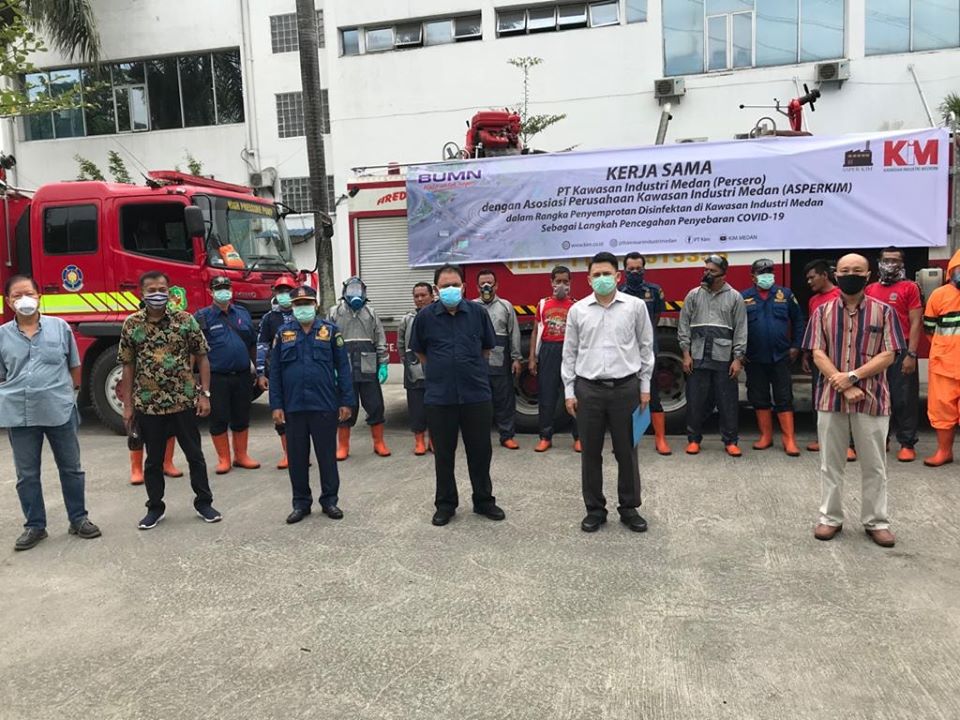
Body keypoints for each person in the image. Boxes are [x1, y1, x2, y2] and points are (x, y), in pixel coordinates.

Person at [803, 253, 902, 548]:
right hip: (831, 400)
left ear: (868, 275)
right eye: (845, 270)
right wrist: (843, 383)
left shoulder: (884, 312)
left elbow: (889, 353)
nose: (850, 275)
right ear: (836, 274)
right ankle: (830, 518)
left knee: (874, 465)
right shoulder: (822, 312)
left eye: (857, 270)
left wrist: (854, 377)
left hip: (872, 399)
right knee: (830, 464)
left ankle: (876, 521)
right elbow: (817, 352)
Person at [0, 275, 101, 551]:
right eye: (17, 296)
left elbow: (74, 365)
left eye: (29, 294)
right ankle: (35, 526)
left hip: (59, 410)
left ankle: (78, 519)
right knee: (27, 474)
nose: (24, 300)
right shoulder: (2, 336)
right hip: (20, 415)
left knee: (71, 468)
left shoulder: (60, 328)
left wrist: (70, 394)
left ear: (39, 296)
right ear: (9, 302)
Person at [118, 270, 222, 530]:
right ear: (141, 293)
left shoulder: (185, 321)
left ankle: (204, 502)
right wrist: (128, 405)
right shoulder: (132, 324)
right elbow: (127, 366)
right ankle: (155, 507)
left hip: (183, 401)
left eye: (162, 289)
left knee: (195, 455)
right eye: (151, 290)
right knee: (153, 460)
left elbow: (202, 357)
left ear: (169, 291)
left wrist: (204, 394)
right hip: (149, 404)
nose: (157, 295)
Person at [562, 252, 654, 533]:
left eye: (607, 274)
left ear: (618, 276)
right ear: (589, 279)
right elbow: (570, 353)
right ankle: (595, 510)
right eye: (596, 275)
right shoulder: (577, 311)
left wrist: (645, 387)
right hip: (588, 390)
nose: (602, 279)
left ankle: (629, 508)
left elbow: (646, 347)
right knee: (590, 453)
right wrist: (569, 390)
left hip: (626, 389)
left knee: (627, 452)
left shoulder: (635, 307)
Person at [411, 263, 506, 527]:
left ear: (464, 287)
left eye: (455, 285)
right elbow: (420, 352)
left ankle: (484, 500)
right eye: (444, 286)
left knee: (480, 451)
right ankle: (445, 504)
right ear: (436, 290)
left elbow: (487, 348)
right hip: (440, 397)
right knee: (443, 454)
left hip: (475, 394)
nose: (450, 289)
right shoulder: (425, 317)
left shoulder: (477, 313)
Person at [270, 286, 354, 524]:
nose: (302, 307)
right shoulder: (283, 333)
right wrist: (276, 405)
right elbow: (275, 372)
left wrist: (346, 400)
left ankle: (330, 501)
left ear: (315, 305)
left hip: (324, 405)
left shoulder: (330, 331)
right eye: (298, 304)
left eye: (307, 303)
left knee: (327, 456)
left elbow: (343, 369)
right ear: (292, 307)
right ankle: (301, 503)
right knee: (296, 458)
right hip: (293, 407)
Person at [678, 254, 747, 456]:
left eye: (712, 271)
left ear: (723, 275)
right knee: (695, 399)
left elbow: (741, 330)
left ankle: (730, 441)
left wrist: (738, 359)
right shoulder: (693, 295)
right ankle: (693, 440)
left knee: (728, 401)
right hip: (697, 356)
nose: (707, 273)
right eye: (705, 269)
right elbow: (683, 326)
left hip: (724, 358)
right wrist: (685, 354)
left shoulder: (735, 297)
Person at [740, 258, 805, 456]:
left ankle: (789, 439)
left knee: (784, 397)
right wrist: (740, 352)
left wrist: (796, 346)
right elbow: (738, 327)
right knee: (759, 397)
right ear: (753, 276)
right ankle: (765, 436)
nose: (766, 275)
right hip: (755, 357)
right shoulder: (744, 297)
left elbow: (798, 320)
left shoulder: (785, 294)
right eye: (762, 272)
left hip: (781, 356)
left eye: (769, 271)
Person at [195, 276, 259, 474]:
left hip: (242, 375)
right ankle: (224, 459)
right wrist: (196, 382)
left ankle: (241, 456)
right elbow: (195, 351)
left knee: (242, 415)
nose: (224, 291)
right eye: (219, 288)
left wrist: (256, 368)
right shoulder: (202, 316)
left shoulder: (242, 313)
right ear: (210, 292)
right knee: (219, 417)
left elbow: (252, 342)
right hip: (217, 377)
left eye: (226, 287)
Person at [865, 247, 923, 462]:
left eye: (895, 260)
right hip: (877, 351)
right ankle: (883, 439)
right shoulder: (870, 289)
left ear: (902, 263)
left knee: (903, 399)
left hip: (901, 350)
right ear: (879, 262)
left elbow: (916, 321)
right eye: (887, 260)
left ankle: (907, 443)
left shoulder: (910, 287)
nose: (891, 264)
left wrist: (912, 354)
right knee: (879, 397)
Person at [329, 276, 390, 459]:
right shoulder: (335, 312)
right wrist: (330, 366)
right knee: (345, 405)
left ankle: (379, 443)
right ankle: (343, 446)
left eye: (359, 289)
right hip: (344, 366)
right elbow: (327, 340)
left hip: (368, 364)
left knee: (375, 405)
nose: (355, 293)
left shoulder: (371, 312)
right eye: (351, 289)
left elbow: (380, 339)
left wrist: (383, 365)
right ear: (344, 292)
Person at [802, 259, 855, 460]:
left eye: (812, 277)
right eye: (807, 278)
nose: (809, 282)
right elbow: (812, 329)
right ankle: (823, 438)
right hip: (820, 357)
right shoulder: (813, 300)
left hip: (842, 356)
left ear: (825, 275)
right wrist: (807, 354)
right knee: (820, 397)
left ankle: (849, 444)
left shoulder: (843, 296)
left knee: (845, 397)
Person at [619, 252, 670, 455]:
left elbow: (656, 317)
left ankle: (661, 439)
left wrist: (645, 337)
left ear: (644, 269)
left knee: (653, 394)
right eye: (630, 269)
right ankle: (628, 440)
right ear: (624, 271)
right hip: (625, 352)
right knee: (626, 396)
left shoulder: (654, 291)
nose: (634, 272)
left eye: (638, 269)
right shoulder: (619, 292)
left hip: (649, 350)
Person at [529, 265, 579, 453]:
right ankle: (545, 436)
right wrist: (533, 357)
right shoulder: (542, 304)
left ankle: (579, 437)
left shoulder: (576, 305)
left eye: (565, 282)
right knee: (547, 396)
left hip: (569, 352)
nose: (561, 285)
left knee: (574, 394)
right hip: (548, 351)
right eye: (558, 281)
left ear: (570, 283)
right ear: (551, 282)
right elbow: (535, 331)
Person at [475, 269, 523, 449]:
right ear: (477, 286)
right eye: (483, 283)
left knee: (504, 400)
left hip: (500, 362)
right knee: (479, 403)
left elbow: (514, 334)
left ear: (497, 285)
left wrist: (516, 358)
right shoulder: (471, 306)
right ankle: (479, 437)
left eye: (490, 283)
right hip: (478, 363)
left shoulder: (506, 306)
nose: (486, 286)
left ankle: (507, 435)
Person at [921, 248, 960, 467]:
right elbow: (929, 330)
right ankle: (944, 452)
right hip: (944, 366)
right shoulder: (939, 295)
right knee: (941, 410)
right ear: (952, 271)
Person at [256, 274, 298, 469]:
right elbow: (262, 345)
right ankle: (288, 454)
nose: (284, 295)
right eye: (280, 291)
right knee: (280, 412)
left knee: (301, 413)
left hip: (299, 373)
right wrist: (260, 373)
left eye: (288, 291)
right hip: (277, 373)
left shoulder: (303, 314)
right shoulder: (269, 318)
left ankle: (301, 453)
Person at [397, 282, 433, 455]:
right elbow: (401, 344)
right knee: (416, 407)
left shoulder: (439, 316)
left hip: (436, 369)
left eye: (423, 295)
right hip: (414, 369)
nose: (419, 299)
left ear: (432, 296)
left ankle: (434, 440)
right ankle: (419, 441)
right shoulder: (407, 319)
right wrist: (408, 362)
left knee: (436, 407)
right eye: (416, 296)